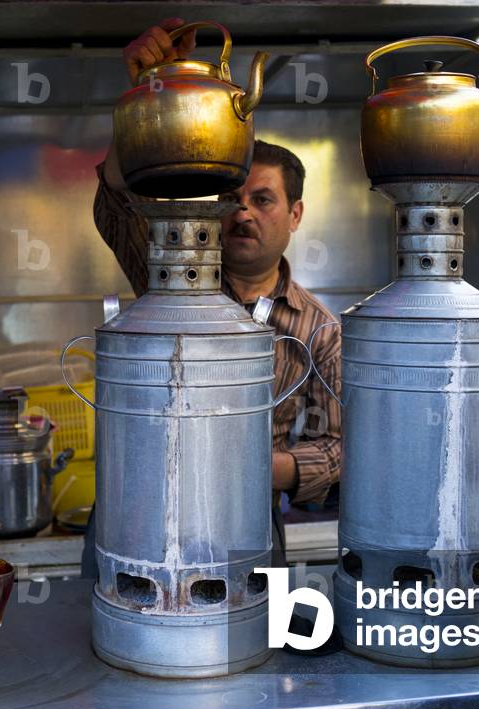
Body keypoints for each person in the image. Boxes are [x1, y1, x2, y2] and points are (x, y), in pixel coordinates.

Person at [88, 18, 342, 568]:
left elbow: (339, 448)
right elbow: (114, 203)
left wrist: (252, 465)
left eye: (264, 199)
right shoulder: (168, 281)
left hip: (246, 515)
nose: (243, 211)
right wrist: (142, 94)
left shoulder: (319, 328)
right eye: (234, 198)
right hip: (138, 506)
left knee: (251, 644)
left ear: (295, 214)